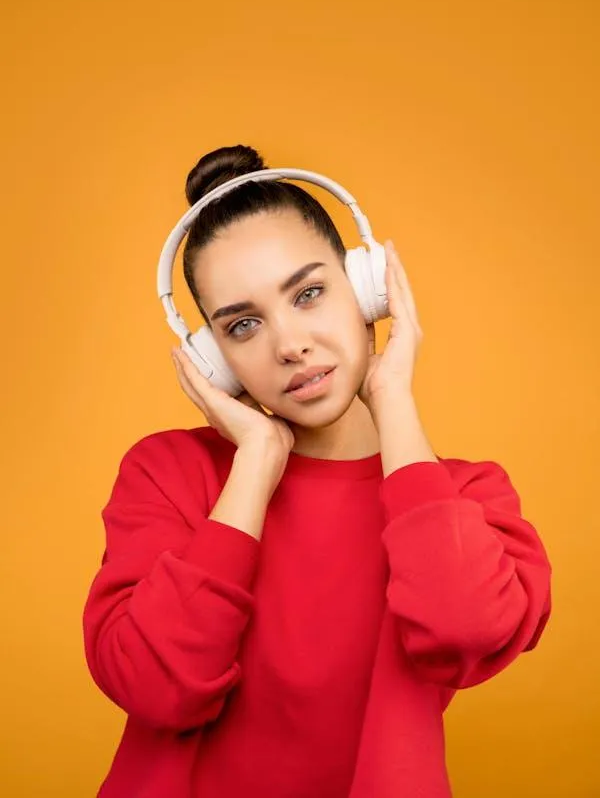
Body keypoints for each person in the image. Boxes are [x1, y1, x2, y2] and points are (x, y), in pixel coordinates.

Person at [83, 144, 552, 798]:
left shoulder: (462, 498)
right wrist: (256, 463)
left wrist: (393, 399)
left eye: (308, 293)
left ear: (366, 289)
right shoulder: (168, 474)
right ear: (212, 358)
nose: (288, 344)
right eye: (243, 325)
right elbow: (156, 690)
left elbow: (464, 633)